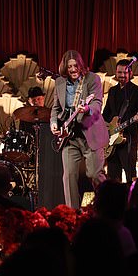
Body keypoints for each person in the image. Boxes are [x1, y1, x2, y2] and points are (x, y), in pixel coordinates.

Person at [51, 50, 108, 209]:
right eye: (69, 66)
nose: (73, 69)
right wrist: (53, 123)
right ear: (65, 67)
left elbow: (97, 104)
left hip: (91, 133)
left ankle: (107, 207)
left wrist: (87, 109)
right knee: (68, 177)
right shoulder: (59, 83)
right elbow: (55, 108)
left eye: (75, 65)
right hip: (69, 137)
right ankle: (72, 214)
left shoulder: (92, 79)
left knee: (95, 175)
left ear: (80, 65)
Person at [102, 58, 138, 183]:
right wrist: (104, 131)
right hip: (112, 140)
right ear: (116, 73)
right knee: (112, 176)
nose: (122, 75)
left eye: (125, 73)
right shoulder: (112, 91)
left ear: (131, 73)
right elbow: (106, 114)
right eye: (119, 73)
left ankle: (130, 199)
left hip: (128, 138)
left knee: (130, 174)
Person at [19, 86, 64, 209]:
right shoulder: (24, 117)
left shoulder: (50, 115)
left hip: (48, 151)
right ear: (29, 101)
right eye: (34, 100)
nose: (37, 102)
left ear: (43, 98)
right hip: (31, 151)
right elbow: (23, 136)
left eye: (39, 99)